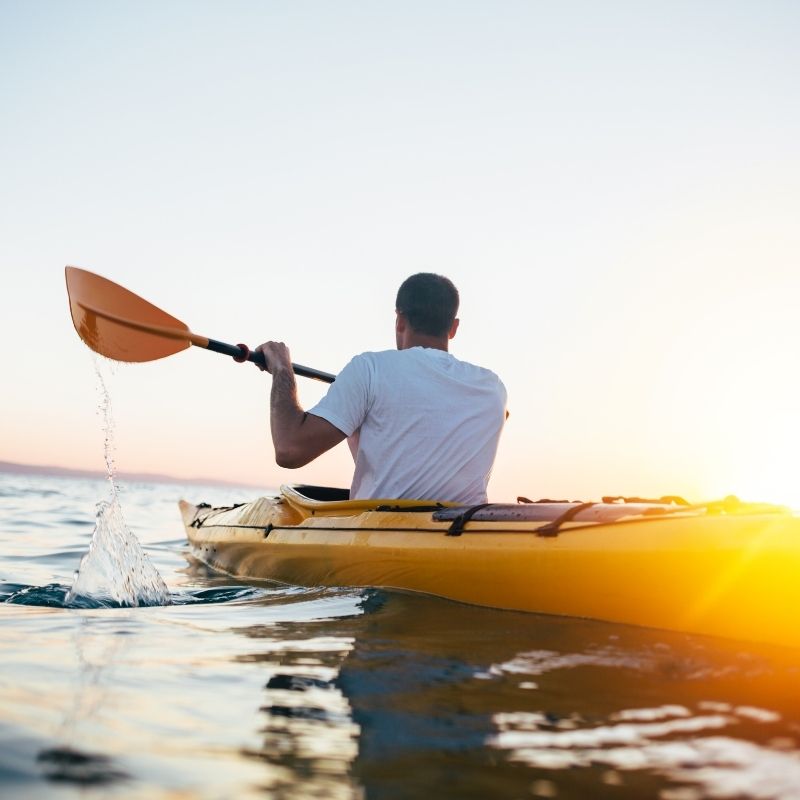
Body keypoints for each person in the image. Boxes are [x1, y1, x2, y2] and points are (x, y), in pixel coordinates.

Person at [255, 273, 507, 503]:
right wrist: (360, 427)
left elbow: (289, 450)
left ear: (399, 320)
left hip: (382, 537)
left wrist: (281, 370)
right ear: (453, 328)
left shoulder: (370, 369)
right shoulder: (493, 389)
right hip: (461, 538)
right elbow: (404, 465)